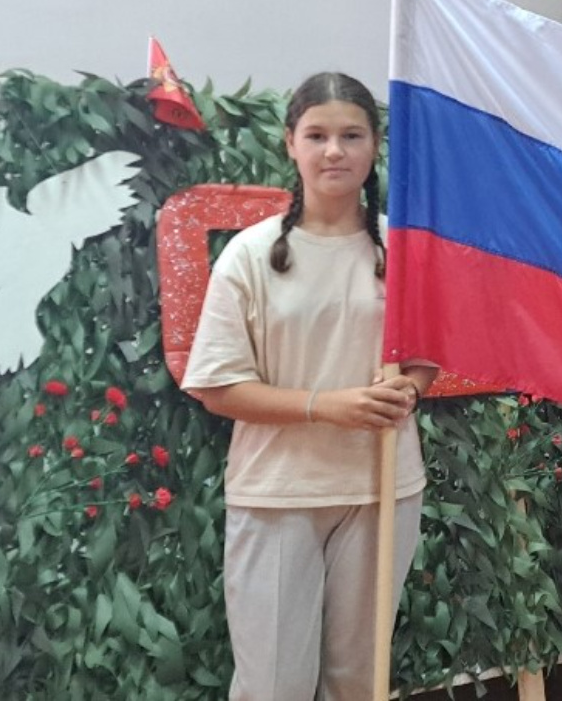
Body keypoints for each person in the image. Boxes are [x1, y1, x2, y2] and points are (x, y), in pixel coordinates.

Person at [182, 71, 438, 700]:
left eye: (352, 135)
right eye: (318, 135)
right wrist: (327, 406)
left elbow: (425, 357)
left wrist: (408, 390)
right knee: (274, 684)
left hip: (382, 487)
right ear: (290, 142)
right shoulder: (250, 255)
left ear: (374, 145)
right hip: (278, 494)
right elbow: (218, 387)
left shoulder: (404, 252)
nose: (334, 151)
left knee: (361, 680)